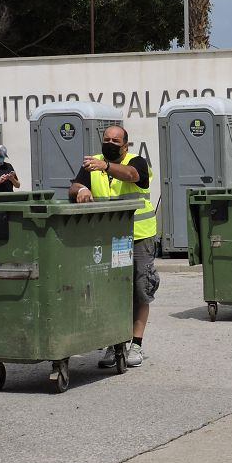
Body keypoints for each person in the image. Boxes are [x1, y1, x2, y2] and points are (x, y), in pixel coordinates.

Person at [69, 125, 159, 367]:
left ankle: (136, 345)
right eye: (106, 139)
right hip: (107, 239)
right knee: (110, 293)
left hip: (138, 235)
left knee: (140, 290)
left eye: (115, 140)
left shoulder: (137, 161)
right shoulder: (93, 163)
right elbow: (73, 186)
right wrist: (83, 188)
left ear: (125, 145)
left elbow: (132, 175)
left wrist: (106, 167)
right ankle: (114, 343)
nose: (110, 143)